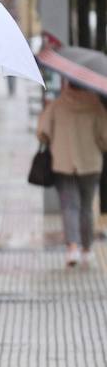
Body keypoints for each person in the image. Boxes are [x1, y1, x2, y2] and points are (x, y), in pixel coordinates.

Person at [36, 79, 107, 267]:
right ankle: (87, 250)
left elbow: (42, 131)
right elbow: (105, 137)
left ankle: (72, 249)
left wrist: (55, 141)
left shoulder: (57, 105)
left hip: (64, 163)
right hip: (90, 164)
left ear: (68, 84)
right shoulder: (96, 106)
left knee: (69, 206)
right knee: (86, 207)